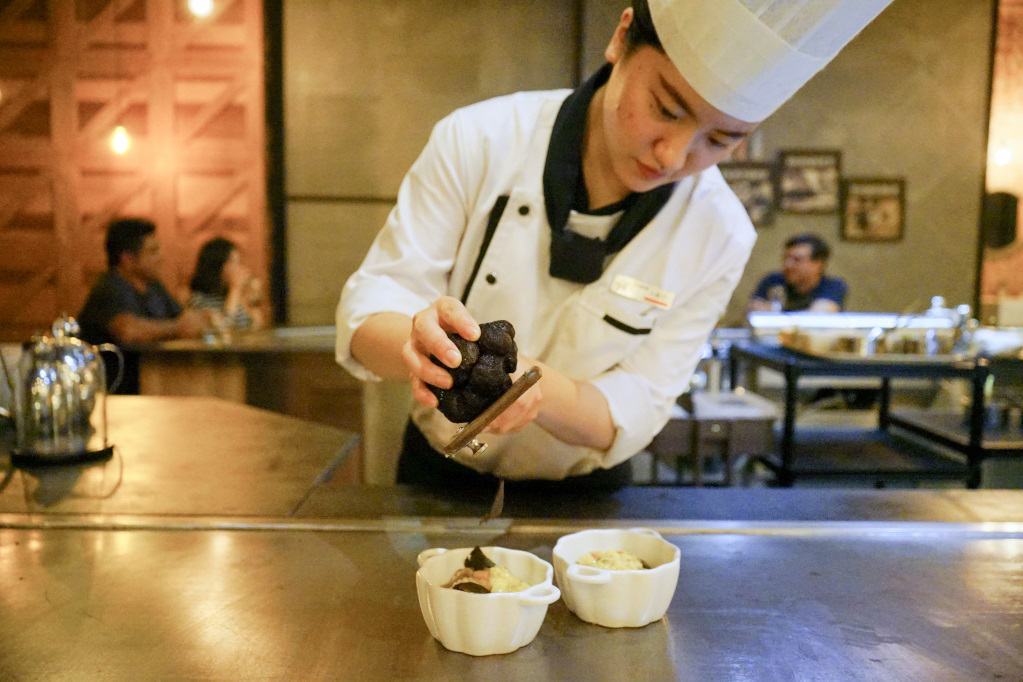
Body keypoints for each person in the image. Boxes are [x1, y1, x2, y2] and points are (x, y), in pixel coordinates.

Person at [335, 0, 893, 493]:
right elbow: (371, 310)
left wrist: (534, 388)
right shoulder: (480, 139)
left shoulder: (719, 231)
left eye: (720, 139)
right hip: (439, 476)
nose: (674, 155)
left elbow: (639, 404)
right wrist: (416, 340)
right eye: (666, 108)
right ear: (622, 38)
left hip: (587, 500)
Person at [77, 218, 206, 394]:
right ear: (128, 260)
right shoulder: (110, 288)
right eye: (153, 251)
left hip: (153, 386)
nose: (161, 257)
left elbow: (184, 317)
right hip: (116, 397)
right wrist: (177, 328)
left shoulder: (154, 288)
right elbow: (128, 331)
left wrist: (198, 319)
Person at [747, 233, 848, 314]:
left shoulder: (833, 286)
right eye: (786, 258)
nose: (788, 264)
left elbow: (818, 317)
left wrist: (774, 314)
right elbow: (751, 314)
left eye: (797, 260)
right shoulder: (773, 280)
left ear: (818, 264)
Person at [188, 237, 265, 331]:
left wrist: (251, 302)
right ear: (216, 267)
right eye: (232, 263)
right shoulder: (199, 300)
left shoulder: (235, 296)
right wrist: (235, 289)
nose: (238, 268)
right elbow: (221, 331)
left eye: (238, 262)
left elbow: (255, 328)